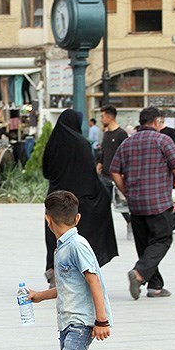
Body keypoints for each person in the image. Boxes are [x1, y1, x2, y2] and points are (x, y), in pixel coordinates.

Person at [27, 190, 116, 350]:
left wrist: (102, 320)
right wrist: (39, 296)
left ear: (47, 220)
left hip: (82, 323)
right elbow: (68, 286)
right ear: (76, 217)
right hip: (68, 321)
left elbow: (94, 281)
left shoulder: (77, 246)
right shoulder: (64, 246)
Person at [110, 106, 175, 300]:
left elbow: (114, 171)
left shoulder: (127, 143)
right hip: (158, 202)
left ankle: (155, 286)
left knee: (145, 245)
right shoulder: (163, 140)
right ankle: (139, 273)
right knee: (162, 240)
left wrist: (126, 191)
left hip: (136, 203)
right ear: (157, 121)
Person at [42, 108, 117, 288]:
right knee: (77, 235)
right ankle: (78, 271)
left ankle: (53, 269)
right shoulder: (82, 144)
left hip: (54, 198)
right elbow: (89, 175)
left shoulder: (53, 143)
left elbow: (46, 171)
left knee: (55, 234)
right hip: (77, 200)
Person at [97, 105, 131, 240]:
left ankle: (130, 222)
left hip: (117, 175)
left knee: (121, 204)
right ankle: (103, 232)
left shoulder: (121, 134)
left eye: (103, 116)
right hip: (104, 175)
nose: (101, 119)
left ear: (110, 117)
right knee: (103, 204)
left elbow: (125, 154)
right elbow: (104, 152)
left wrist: (124, 173)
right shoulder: (106, 134)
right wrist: (99, 165)